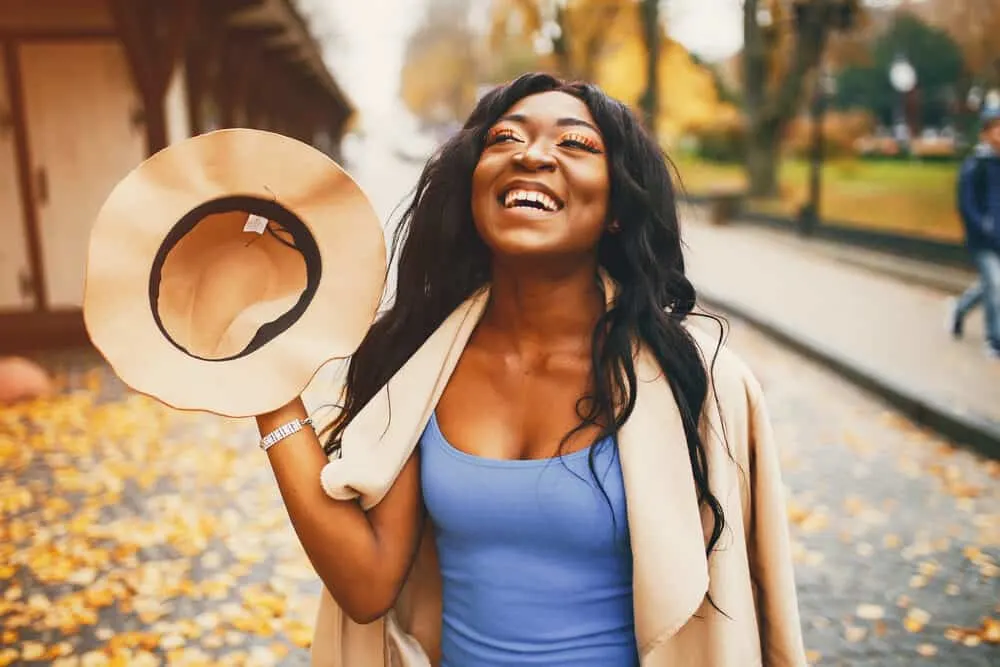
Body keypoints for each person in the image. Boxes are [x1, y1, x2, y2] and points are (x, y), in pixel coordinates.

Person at [255, 73, 806, 666]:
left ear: (617, 207)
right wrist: (264, 385)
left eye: (576, 144)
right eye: (504, 139)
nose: (532, 154)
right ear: (474, 187)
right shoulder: (417, 363)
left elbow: (759, 612)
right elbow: (366, 585)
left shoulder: (703, 384)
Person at [948, 106, 1000, 357]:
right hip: (983, 240)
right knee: (996, 284)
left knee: (990, 286)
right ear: (985, 133)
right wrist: (982, 225)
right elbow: (966, 203)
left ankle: (960, 308)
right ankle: (995, 341)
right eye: (997, 127)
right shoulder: (976, 165)